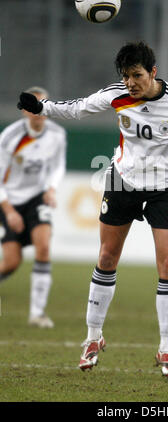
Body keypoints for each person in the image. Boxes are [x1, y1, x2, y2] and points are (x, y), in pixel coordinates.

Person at [17, 42, 168, 378]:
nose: (131, 83)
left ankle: (167, 349)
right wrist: (41, 107)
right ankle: (93, 338)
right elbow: (78, 108)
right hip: (123, 182)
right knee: (107, 258)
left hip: (166, 187)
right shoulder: (117, 94)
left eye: (137, 75)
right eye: (126, 76)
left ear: (153, 72)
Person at [0, 86, 66, 328]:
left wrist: (51, 188)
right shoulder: (9, 137)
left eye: (44, 105)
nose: (40, 111)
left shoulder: (57, 135)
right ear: (26, 111)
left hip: (37, 198)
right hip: (10, 201)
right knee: (11, 262)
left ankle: (37, 313)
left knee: (44, 247)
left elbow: (59, 166)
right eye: (35, 106)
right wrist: (8, 211)